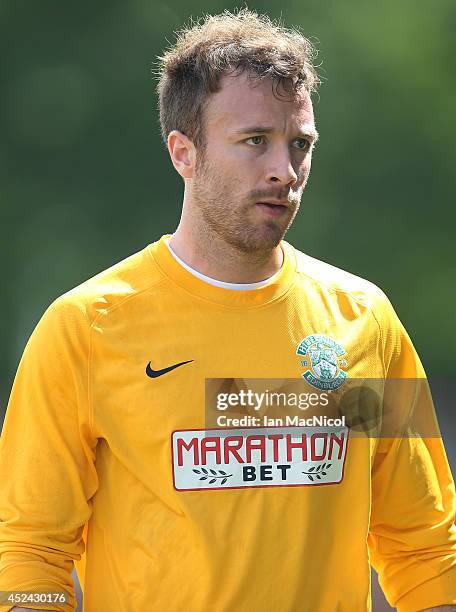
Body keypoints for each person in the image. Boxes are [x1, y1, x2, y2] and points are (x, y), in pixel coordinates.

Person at [1, 9, 455, 612]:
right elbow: (30, 548)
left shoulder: (364, 320)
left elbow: (424, 544)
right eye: (254, 141)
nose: (284, 171)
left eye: (300, 144)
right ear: (183, 153)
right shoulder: (86, 329)